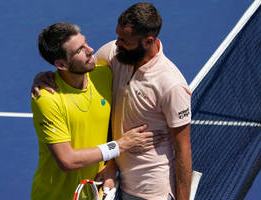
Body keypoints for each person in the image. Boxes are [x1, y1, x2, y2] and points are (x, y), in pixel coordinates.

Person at [32, 2, 192, 200]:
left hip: (151, 191)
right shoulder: (110, 59)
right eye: (117, 36)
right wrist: (43, 76)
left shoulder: (171, 85)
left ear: (148, 41)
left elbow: (183, 150)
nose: (116, 43)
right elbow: (73, 70)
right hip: (113, 185)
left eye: (124, 40)